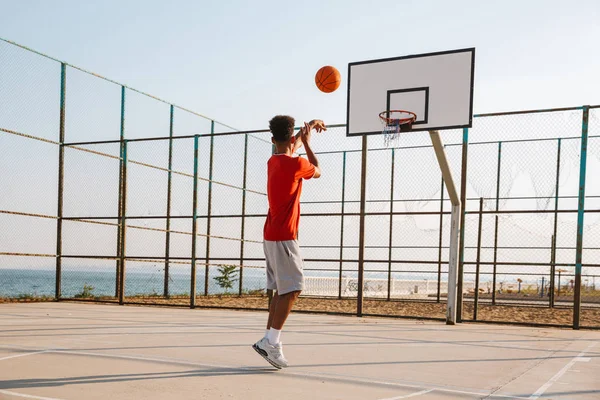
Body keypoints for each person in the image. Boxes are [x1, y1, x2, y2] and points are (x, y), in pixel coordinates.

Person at [252, 115, 325, 369]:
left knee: (282, 292)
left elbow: (286, 147)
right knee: (293, 290)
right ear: (292, 135)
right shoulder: (297, 165)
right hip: (284, 236)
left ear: (273, 140)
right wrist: (307, 142)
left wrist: (306, 131)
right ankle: (270, 342)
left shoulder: (272, 162)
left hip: (270, 235)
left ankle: (271, 341)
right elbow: (317, 170)